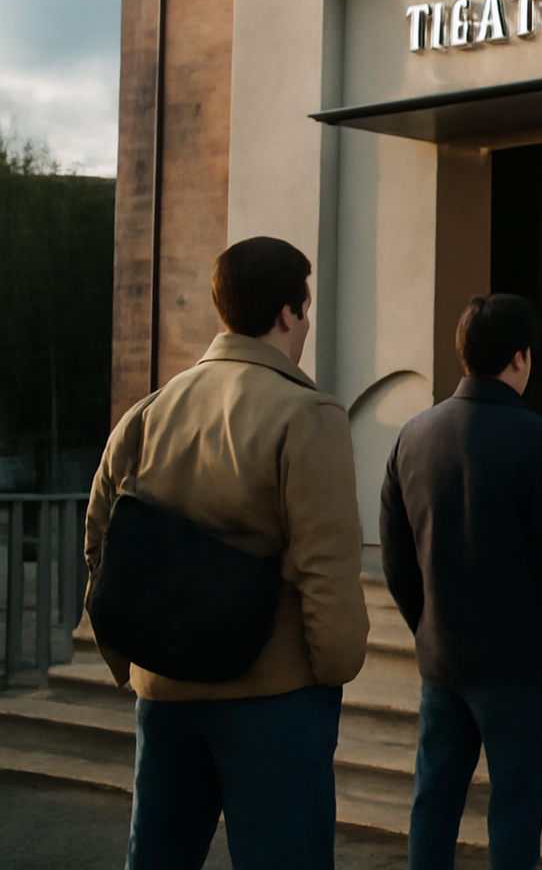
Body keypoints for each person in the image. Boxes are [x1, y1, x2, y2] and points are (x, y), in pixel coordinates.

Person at [83, 236, 370, 869]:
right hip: (273, 698)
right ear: (288, 313)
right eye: (306, 308)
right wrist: (332, 668)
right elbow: (325, 567)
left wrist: (127, 659)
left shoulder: (150, 410)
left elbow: (100, 538)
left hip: (163, 692)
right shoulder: (309, 415)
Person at [379, 294, 542, 870]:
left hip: (443, 657)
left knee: (434, 801)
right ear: (521, 357)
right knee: (515, 813)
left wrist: (425, 622)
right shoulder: (541, 440)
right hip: (523, 665)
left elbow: (396, 556)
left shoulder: (412, 436)